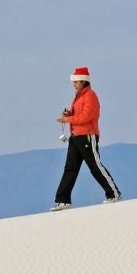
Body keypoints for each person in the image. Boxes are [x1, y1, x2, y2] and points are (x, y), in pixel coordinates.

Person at [51, 67, 121, 211]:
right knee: (70, 169)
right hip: (75, 137)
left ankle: (113, 193)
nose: (74, 84)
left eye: (76, 82)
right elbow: (78, 114)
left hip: (88, 136)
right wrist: (69, 113)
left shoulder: (90, 96)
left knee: (95, 166)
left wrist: (67, 119)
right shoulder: (78, 96)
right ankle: (63, 200)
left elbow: (86, 117)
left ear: (84, 81)